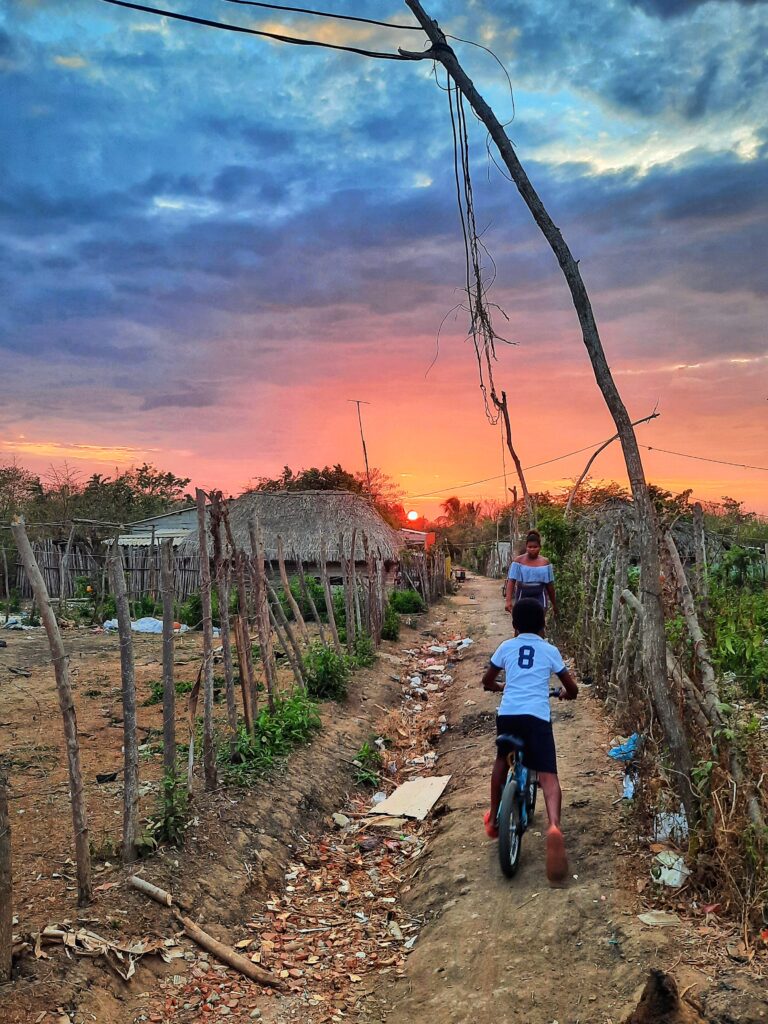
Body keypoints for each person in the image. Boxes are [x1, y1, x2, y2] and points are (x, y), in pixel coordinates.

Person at [481, 598, 578, 884]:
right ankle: (554, 826)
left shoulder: (506, 647)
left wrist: (501, 686)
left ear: (514, 626)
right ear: (543, 625)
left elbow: (487, 681)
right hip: (536, 718)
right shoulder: (549, 650)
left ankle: (496, 819)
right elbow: (571, 688)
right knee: (548, 778)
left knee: (501, 761)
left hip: (509, 715)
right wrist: (564, 695)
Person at [505, 529, 556, 616]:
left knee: (539, 624)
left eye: (535, 547)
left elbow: (550, 586)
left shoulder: (545, 563)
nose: (532, 549)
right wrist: (508, 601)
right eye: (530, 547)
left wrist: (554, 604)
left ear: (540, 547)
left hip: (540, 595)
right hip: (523, 595)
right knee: (520, 624)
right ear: (526, 547)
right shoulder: (518, 561)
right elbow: (511, 581)